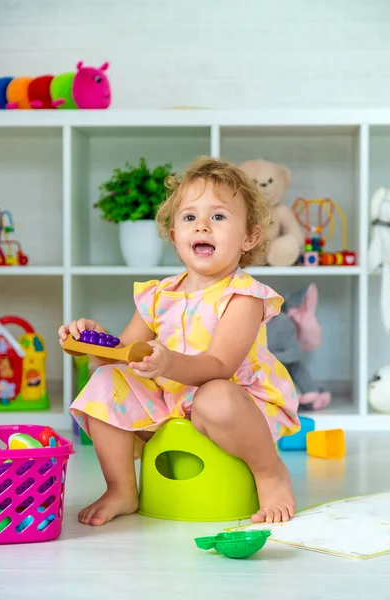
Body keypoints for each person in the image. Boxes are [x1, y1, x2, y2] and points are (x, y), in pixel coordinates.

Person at [59, 156, 300, 527]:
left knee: (215, 396)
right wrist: (90, 343)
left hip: (237, 402)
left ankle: (270, 473)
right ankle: (121, 487)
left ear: (249, 236)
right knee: (104, 383)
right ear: (174, 236)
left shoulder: (244, 296)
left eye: (218, 217)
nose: (202, 225)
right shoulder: (158, 295)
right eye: (189, 218)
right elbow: (122, 356)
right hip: (172, 396)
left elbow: (219, 366)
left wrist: (168, 363)